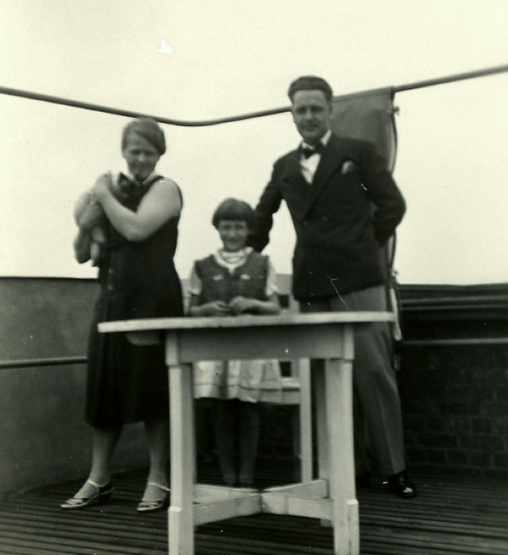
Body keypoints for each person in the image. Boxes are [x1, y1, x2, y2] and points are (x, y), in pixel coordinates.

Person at [251, 75, 416, 498]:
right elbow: (261, 219)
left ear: (330, 110)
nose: (308, 116)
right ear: (292, 114)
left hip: (359, 279)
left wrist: (364, 245)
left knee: (374, 372)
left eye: (315, 108)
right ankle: (345, 470)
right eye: (300, 110)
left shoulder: (358, 154)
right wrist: (239, 257)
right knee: (325, 377)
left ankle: (393, 469)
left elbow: (393, 205)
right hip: (311, 283)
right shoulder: (283, 166)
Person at [61, 116, 184, 512]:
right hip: (111, 299)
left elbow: (135, 230)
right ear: (124, 152)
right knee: (104, 393)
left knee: (152, 391)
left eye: (149, 152)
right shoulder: (112, 193)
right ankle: (99, 479)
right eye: (135, 151)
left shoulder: (165, 190)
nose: (141, 159)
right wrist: (87, 224)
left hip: (151, 300)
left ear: (160, 154)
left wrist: (101, 193)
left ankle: (159, 479)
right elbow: (83, 253)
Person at [188, 198, 282, 487]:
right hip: (215, 352)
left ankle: (247, 475)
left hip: (250, 351)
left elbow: (275, 307)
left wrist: (251, 302)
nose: (232, 234)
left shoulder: (262, 263)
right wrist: (205, 310)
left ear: (248, 230)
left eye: (238, 227)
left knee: (248, 409)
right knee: (221, 409)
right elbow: (189, 310)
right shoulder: (202, 266)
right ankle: (228, 476)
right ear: (217, 228)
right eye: (226, 227)